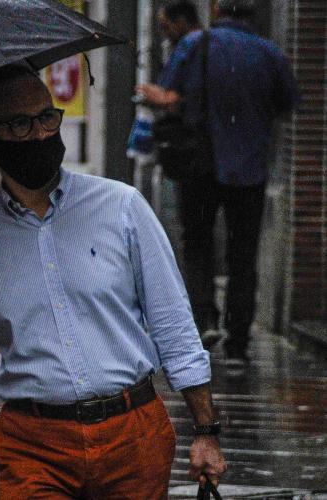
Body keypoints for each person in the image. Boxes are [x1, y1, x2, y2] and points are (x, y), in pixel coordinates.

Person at [0, 65, 227, 498]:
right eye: (19, 124)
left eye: (47, 117)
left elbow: (175, 328)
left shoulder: (121, 208)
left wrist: (205, 430)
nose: (38, 134)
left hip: (133, 438)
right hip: (34, 447)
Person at [136, 0, 299, 366]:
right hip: (250, 170)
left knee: (197, 246)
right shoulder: (270, 52)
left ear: (216, 12)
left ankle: (204, 321)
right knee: (244, 256)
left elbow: (171, 96)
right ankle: (238, 343)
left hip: (200, 166)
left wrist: (152, 95)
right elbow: (288, 102)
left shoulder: (196, 44)